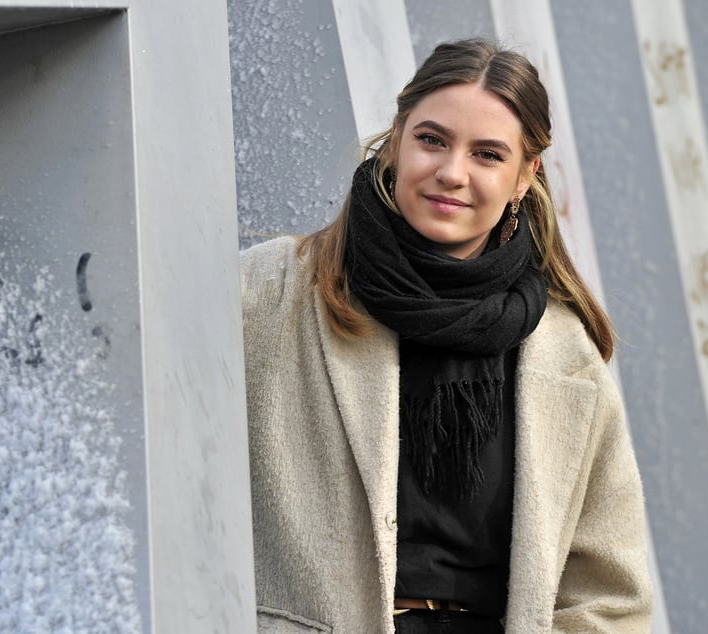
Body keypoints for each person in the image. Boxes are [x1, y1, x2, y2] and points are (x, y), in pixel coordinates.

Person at [241, 38, 653, 633]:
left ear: (523, 177)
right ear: (397, 140)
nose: (451, 173)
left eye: (487, 155)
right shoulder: (272, 293)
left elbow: (612, 593)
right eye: (432, 139)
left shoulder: (564, 353)